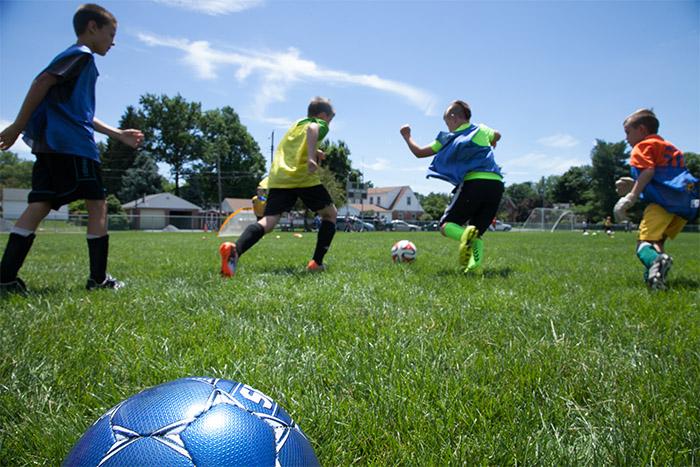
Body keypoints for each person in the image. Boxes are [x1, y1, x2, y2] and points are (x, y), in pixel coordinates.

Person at [0, 4, 143, 295]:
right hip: (74, 147)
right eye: (110, 33)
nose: (112, 41)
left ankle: (5, 279)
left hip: (51, 146)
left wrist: (117, 134)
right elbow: (41, 82)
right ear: (92, 27)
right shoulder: (82, 56)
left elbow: (80, 112)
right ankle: (98, 279)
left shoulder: (76, 60)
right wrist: (17, 126)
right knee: (97, 205)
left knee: (38, 205)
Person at [219, 97, 337, 277]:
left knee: (268, 221)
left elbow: (297, 144)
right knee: (330, 214)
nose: (329, 122)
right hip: (302, 177)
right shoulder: (316, 123)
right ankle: (316, 263)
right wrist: (312, 157)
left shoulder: (296, 124)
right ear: (322, 115)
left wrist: (315, 151)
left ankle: (235, 250)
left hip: (279, 177)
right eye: (330, 118)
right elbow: (313, 130)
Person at [400, 100, 503, 273]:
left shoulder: (447, 138)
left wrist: (406, 135)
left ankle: (465, 237)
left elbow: (419, 152)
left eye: (447, 122)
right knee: (476, 232)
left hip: (474, 183)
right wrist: (493, 142)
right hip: (496, 185)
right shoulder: (481, 129)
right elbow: (498, 135)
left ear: (454, 118)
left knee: (446, 225)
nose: (447, 126)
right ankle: (474, 268)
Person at [614, 108, 699, 290]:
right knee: (657, 242)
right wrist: (635, 182)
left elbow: (649, 171)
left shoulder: (642, 146)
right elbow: (664, 175)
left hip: (662, 204)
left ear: (642, 130)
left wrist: (632, 196)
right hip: (685, 203)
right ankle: (655, 280)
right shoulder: (670, 147)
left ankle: (656, 263)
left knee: (642, 244)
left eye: (628, 132)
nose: (626, 138)